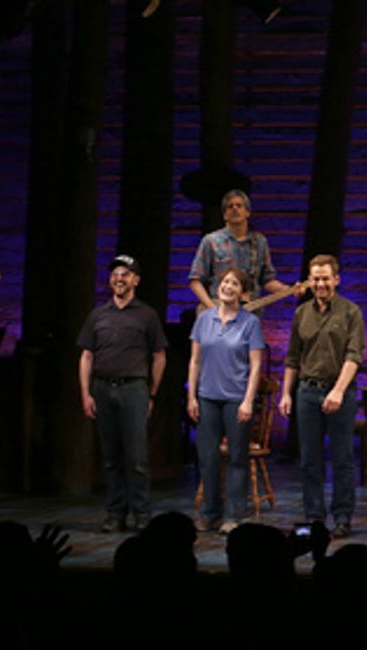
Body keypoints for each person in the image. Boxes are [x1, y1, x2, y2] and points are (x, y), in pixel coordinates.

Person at [77, 255, 168, 533]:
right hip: (103, 389)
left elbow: (159, 356)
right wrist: (86, 394)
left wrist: (150, 392)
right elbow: (86, 356)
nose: (119, 278)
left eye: (125, 274)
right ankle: (115, 513)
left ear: (136, 280)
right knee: (111, 457)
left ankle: (141, 513)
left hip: (134, 389)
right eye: (115, 274)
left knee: (137, 458)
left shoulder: (147, 315)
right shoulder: (98, 315)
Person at [278, 254, 365, 539]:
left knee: (342, 458)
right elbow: (292, 357)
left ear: (336, 280)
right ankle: (315, 517)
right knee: (310, 460)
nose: (320, 283)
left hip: (339, 391)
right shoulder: (301, 313)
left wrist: (338, 390)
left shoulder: (351, 312)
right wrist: (285, 394)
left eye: (325, 278)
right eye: (315, 278)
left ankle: (342, 517)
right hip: (307, 391)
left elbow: (354, 355)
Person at [186, 267, 266, 535]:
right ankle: (209, 513)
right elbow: (195, 361)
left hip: (235, 399)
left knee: (236, 458)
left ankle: (233, 514)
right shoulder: (203, 319)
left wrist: (247, 401)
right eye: (224, 282)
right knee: (207, 457)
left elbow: (256, 366)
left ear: (244, 293)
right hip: (207, 397)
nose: (227, 287)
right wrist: (191, 396)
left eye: (234, 284)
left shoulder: (250, 323)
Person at [188, 190, 303, 310]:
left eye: (239, 205)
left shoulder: (259, 242)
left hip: (250, 313)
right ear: (225, 215)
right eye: (230, 206)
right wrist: (212, 309)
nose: (235, 209)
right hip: (219, 310)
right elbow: (195, 281)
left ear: (247, 212)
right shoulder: (211, 241)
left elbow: (267, 280)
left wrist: (288, 290)